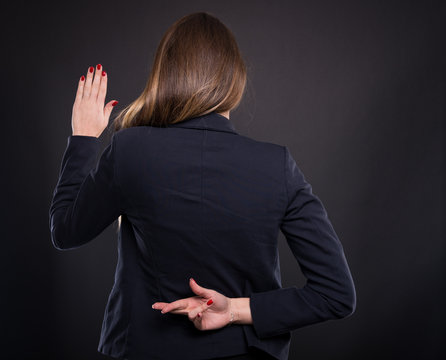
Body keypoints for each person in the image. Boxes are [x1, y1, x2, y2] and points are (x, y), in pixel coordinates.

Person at [49, 11, 356, 360]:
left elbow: (65, 231)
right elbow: (336, 294)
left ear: (166, 74)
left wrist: (84, 139)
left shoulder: (130, 151)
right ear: (234, 81)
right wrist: (236, 310)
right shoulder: (277, 165)